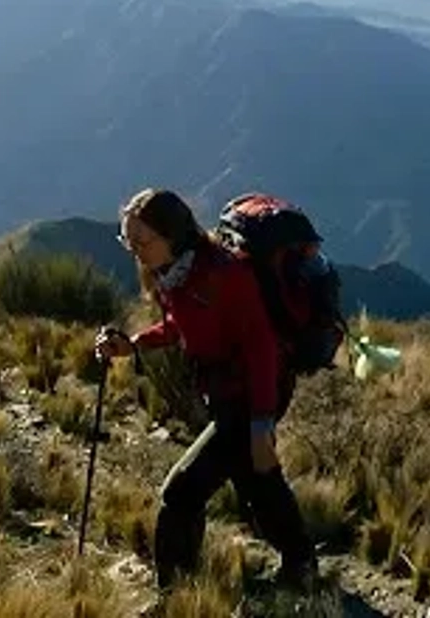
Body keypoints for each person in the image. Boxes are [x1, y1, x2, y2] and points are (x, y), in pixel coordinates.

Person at [94, 188, 317, 592]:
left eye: (142, 241)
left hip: (252, 395)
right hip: (228, 395)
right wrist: (134, 344)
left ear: (172, 234)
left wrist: (261, 424)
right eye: (128, 240)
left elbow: (261, 347)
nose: (135, 251)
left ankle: (175, 595)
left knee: (182, 492)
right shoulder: (174, 274)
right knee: (257, 479)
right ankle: (301, 564)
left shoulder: (224, 274)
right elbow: (182, 325)